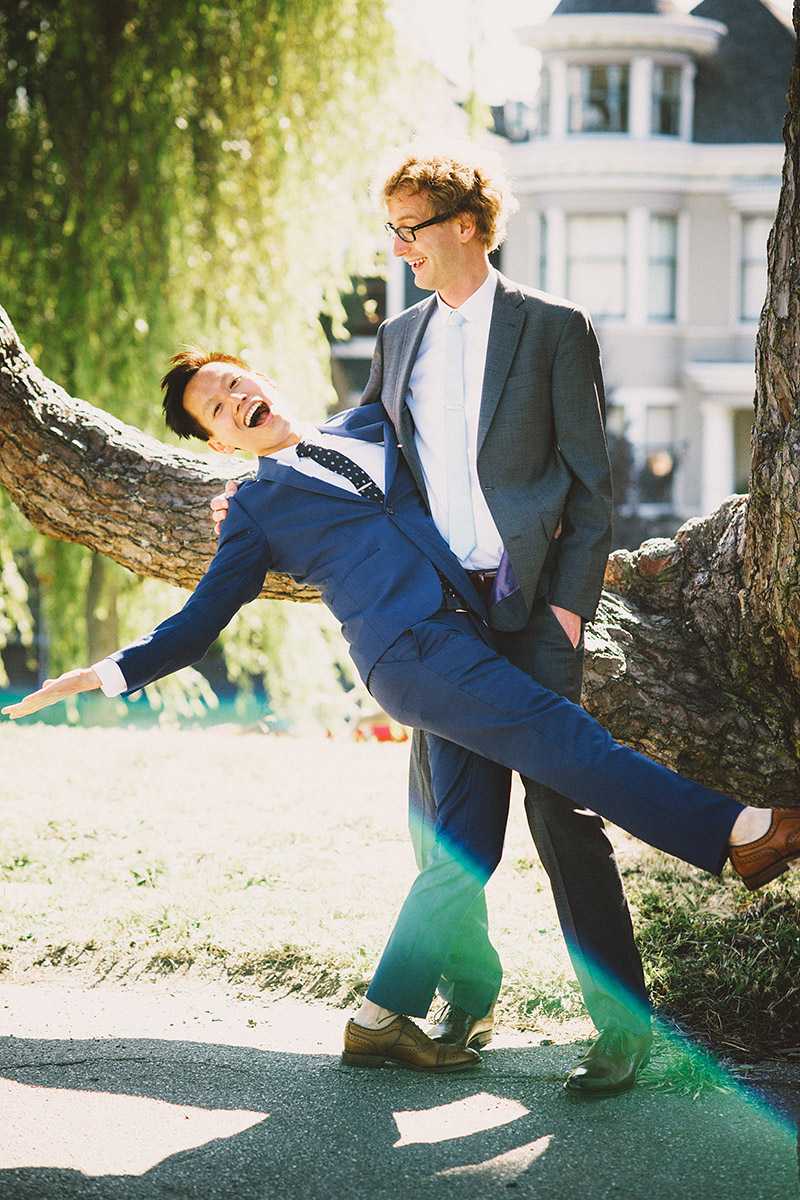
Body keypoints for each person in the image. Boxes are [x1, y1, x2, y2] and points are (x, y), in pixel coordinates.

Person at [5, 351, 799, 1084]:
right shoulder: (254, 508)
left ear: (265, 379)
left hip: (485, 637)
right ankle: (742, 830)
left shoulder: (376, 422)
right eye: (216, 407)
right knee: (569, 743)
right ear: (218, 443)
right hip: (414, 657)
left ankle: (382, 1017)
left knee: (462, 853)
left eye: (235, 381)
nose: (236, 398)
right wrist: (102, 674)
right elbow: (199, 620)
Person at [215, 140, 650, 1095]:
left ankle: (624, 1028)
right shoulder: (400, 337)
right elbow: (357, 438)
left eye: (412, 229)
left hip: (534, 608)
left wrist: (570, 607)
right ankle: (469, 993)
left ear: (467, 226)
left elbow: (592, 486)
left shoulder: (552, 328)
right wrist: (256, 485)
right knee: (445, 826)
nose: (400, 247)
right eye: (393, 229)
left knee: (561, 807)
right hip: (441, 615)